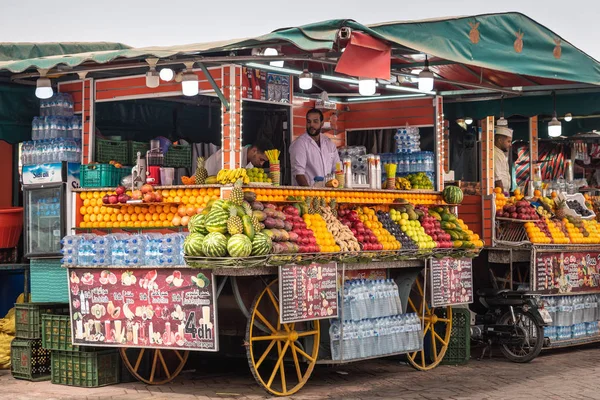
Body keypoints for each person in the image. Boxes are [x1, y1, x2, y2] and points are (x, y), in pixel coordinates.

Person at [289, 108, 340, 186]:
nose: (311, 125)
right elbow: (298, 173)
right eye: (309, 122)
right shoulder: (299, 144)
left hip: (328, 193)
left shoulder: (329, 143)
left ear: (322, 123)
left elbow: (338, 169)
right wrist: (309, 194)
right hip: (308, 194)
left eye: (315, 121)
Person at [204, 138, 273, 176]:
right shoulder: (233, 153)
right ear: (254, 150)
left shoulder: (250, 166)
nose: (261, 164)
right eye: (261, 159)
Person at [494, 126, 513, 191]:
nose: (510, 144)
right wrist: (502, 195)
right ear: (500, 141)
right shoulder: (495, 154)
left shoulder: (501, 153)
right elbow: (497, 179)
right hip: (500, 194)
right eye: (508, 141)